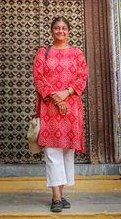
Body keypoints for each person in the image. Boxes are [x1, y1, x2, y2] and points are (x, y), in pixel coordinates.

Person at [33, 16, 88, 213]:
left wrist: (66, 93)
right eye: (57, 28)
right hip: (49, 107)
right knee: (52, 152)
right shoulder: (43, 52)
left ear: (69, 31)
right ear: (51, 31)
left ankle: (61, 193)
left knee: (66, 152)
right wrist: (56, 98)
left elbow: (82, 77)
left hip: (71, 107)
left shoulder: (77, 53)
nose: (60, 31)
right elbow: (38, 78)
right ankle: (55, 197)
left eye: (64, 28)